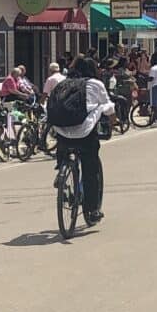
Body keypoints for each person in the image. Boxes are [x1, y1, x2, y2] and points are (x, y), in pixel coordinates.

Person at [47, 54, 115, 225]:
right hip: (85, 132)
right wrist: (114, 121)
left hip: (61, 130)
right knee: (90, 169)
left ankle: (62, 168)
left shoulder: (62, 84)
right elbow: (108, 107)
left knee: (65, 145)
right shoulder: (95, 84)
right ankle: (92, 210)